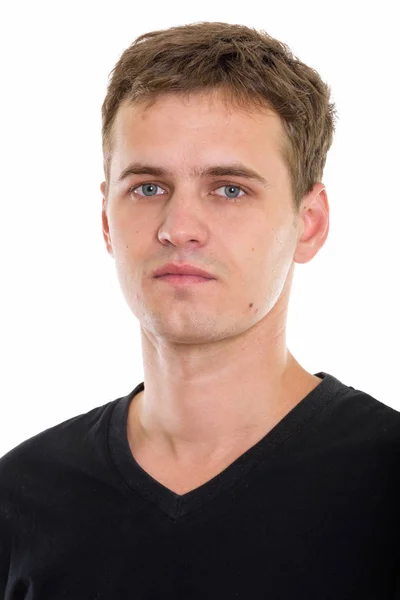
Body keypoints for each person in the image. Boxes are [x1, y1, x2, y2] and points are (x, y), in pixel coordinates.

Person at [0, 21, 399, 600]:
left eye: (229, 189)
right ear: (107, 221)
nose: (178, 228)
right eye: (148, 187)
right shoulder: (24, 497)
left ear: (309, 223)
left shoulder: (385, 485)